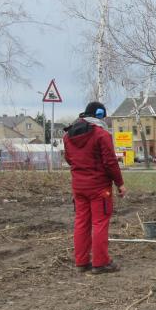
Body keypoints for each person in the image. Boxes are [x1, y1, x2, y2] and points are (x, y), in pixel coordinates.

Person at [63, 101, 126, 274]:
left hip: (79, 187)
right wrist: (119, 183)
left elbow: (70, 159)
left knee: (81, 222)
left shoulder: (68, 136)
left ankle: (81, 262)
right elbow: (110, 162)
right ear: (99, 115)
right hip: (99, 187)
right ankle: (101, 263)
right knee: (99, 222)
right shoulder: (101, 135)